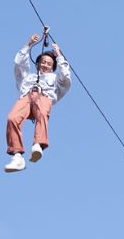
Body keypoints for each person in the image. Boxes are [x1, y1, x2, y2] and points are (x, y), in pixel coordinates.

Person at [4, 33, 73, 172]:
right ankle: (17, 156)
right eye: (43, 62)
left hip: (43, 97)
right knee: (12, 118)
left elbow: (65, 76)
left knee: (42, 112)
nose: (45, 65)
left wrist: (59, 55)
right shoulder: (28, 78)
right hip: (26, 98)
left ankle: (38, 144)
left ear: (53, 67)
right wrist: (28, 45)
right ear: (38, 64)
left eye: (49, 64)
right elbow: (19, 65)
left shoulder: (55, 79)